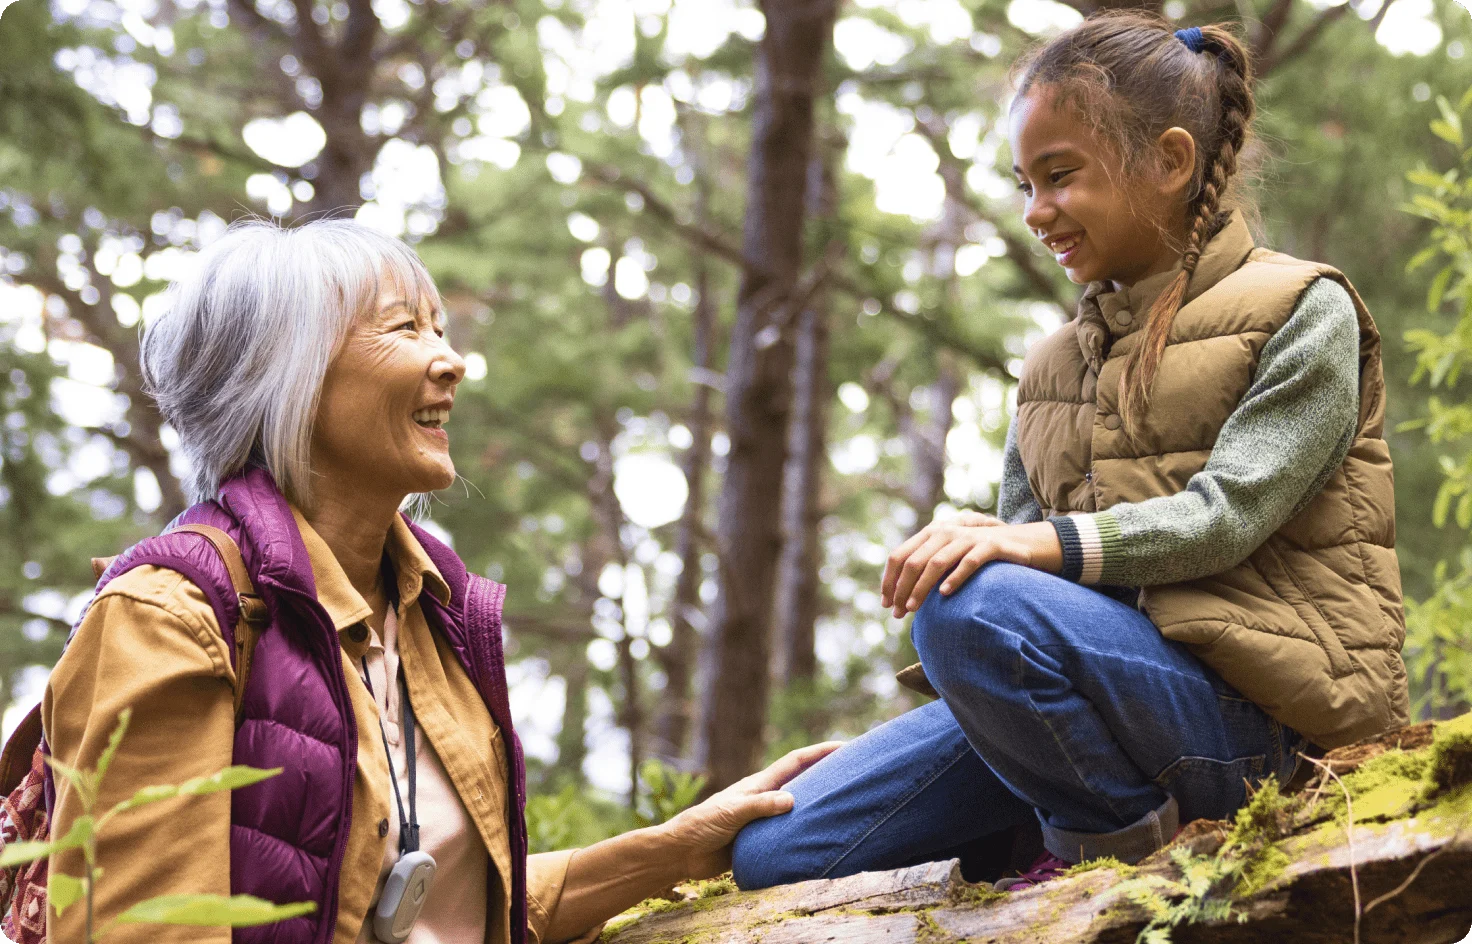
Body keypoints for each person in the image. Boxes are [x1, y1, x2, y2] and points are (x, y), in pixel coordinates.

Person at [732, 11, 1408, 892]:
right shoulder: (1056, 363)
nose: (1035, 212)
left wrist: (1019, 550)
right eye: (1023, 183)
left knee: (966, 609)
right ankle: (1068, 808)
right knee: (775, 847)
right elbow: (1022, 587)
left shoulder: (1301, 309)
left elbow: (1227, 518)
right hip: (1106, 703)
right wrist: (980, 673)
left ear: (1169, 162)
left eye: (1060, 177)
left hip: (1263, 720)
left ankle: (1111, 856)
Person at [42, 218, 840, 944]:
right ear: (285, 375)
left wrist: (678, 846)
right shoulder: (171, 619)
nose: (451, 360)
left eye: (442, 328)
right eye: (404, 328)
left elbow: (466, 912)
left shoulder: (434, 616)